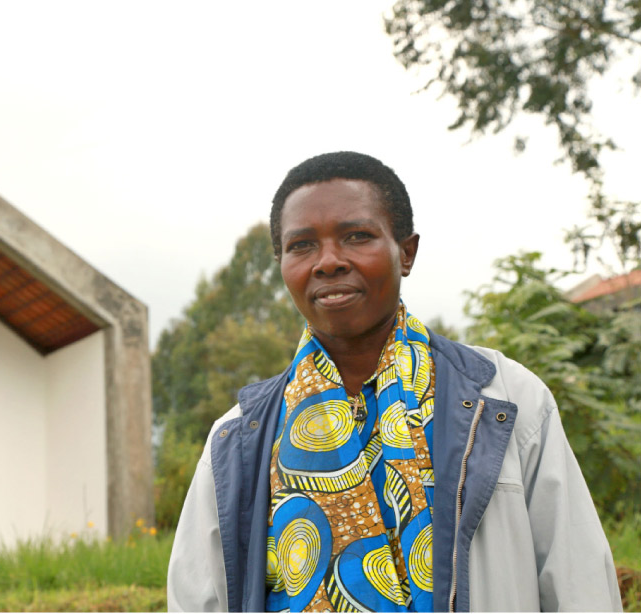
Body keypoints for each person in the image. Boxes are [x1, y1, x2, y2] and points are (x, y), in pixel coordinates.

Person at [166, 151, 622, 612]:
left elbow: (578, 583)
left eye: (357, 236)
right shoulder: (237, 439)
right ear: (282, 264)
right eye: (302, 245)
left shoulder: (505, 399)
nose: (328, 262)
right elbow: (197, 600)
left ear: (406, 252)